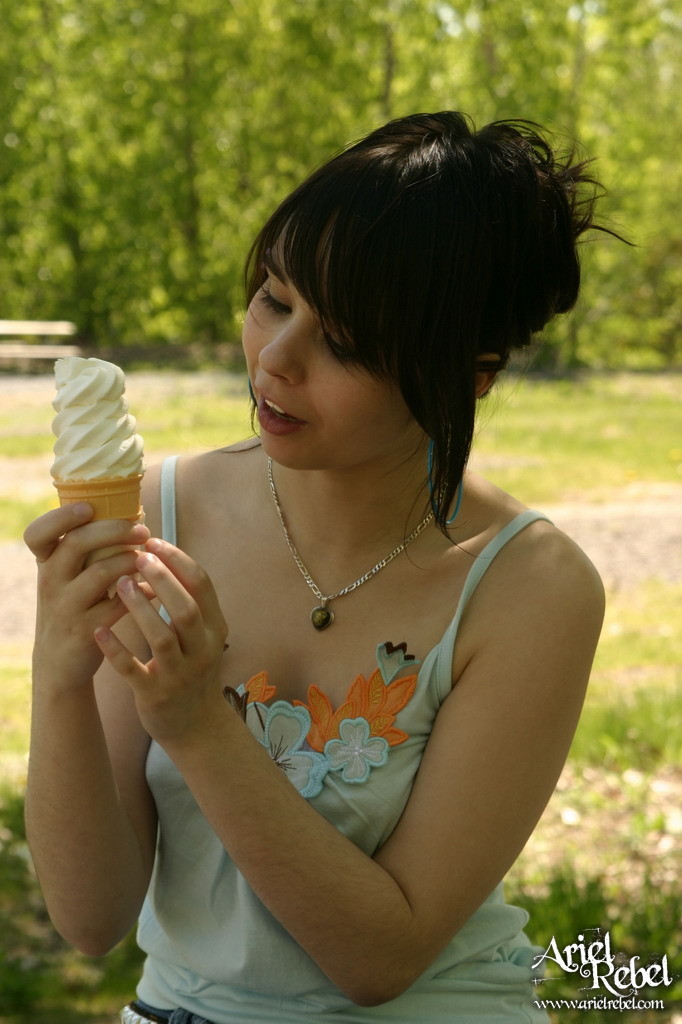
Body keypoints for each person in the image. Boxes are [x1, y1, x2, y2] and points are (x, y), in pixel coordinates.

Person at [23, 111, 608, 1024]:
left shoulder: (530, 587)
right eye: (274, 298)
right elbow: (92, 920)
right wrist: (59, 674)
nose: (276, 360)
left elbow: (381, 957)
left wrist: (199, 726)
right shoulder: (160, 518)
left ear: (473, 372)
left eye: (343, 342)